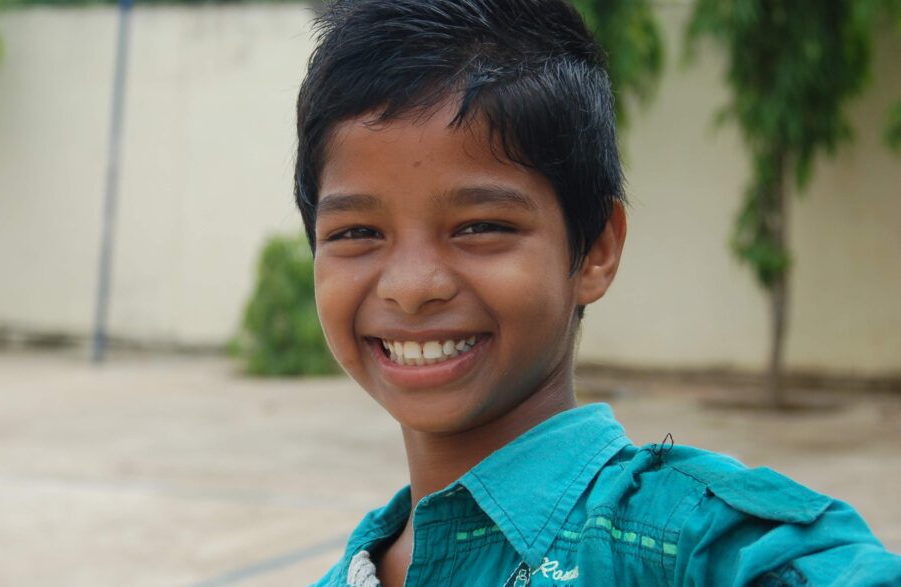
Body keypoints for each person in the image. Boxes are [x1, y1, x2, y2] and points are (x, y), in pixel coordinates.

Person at [293, 1, 901, 585]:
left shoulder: (681, 541)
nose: (411, 287)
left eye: (480, 227)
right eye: (358, 233)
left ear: (595, 251)